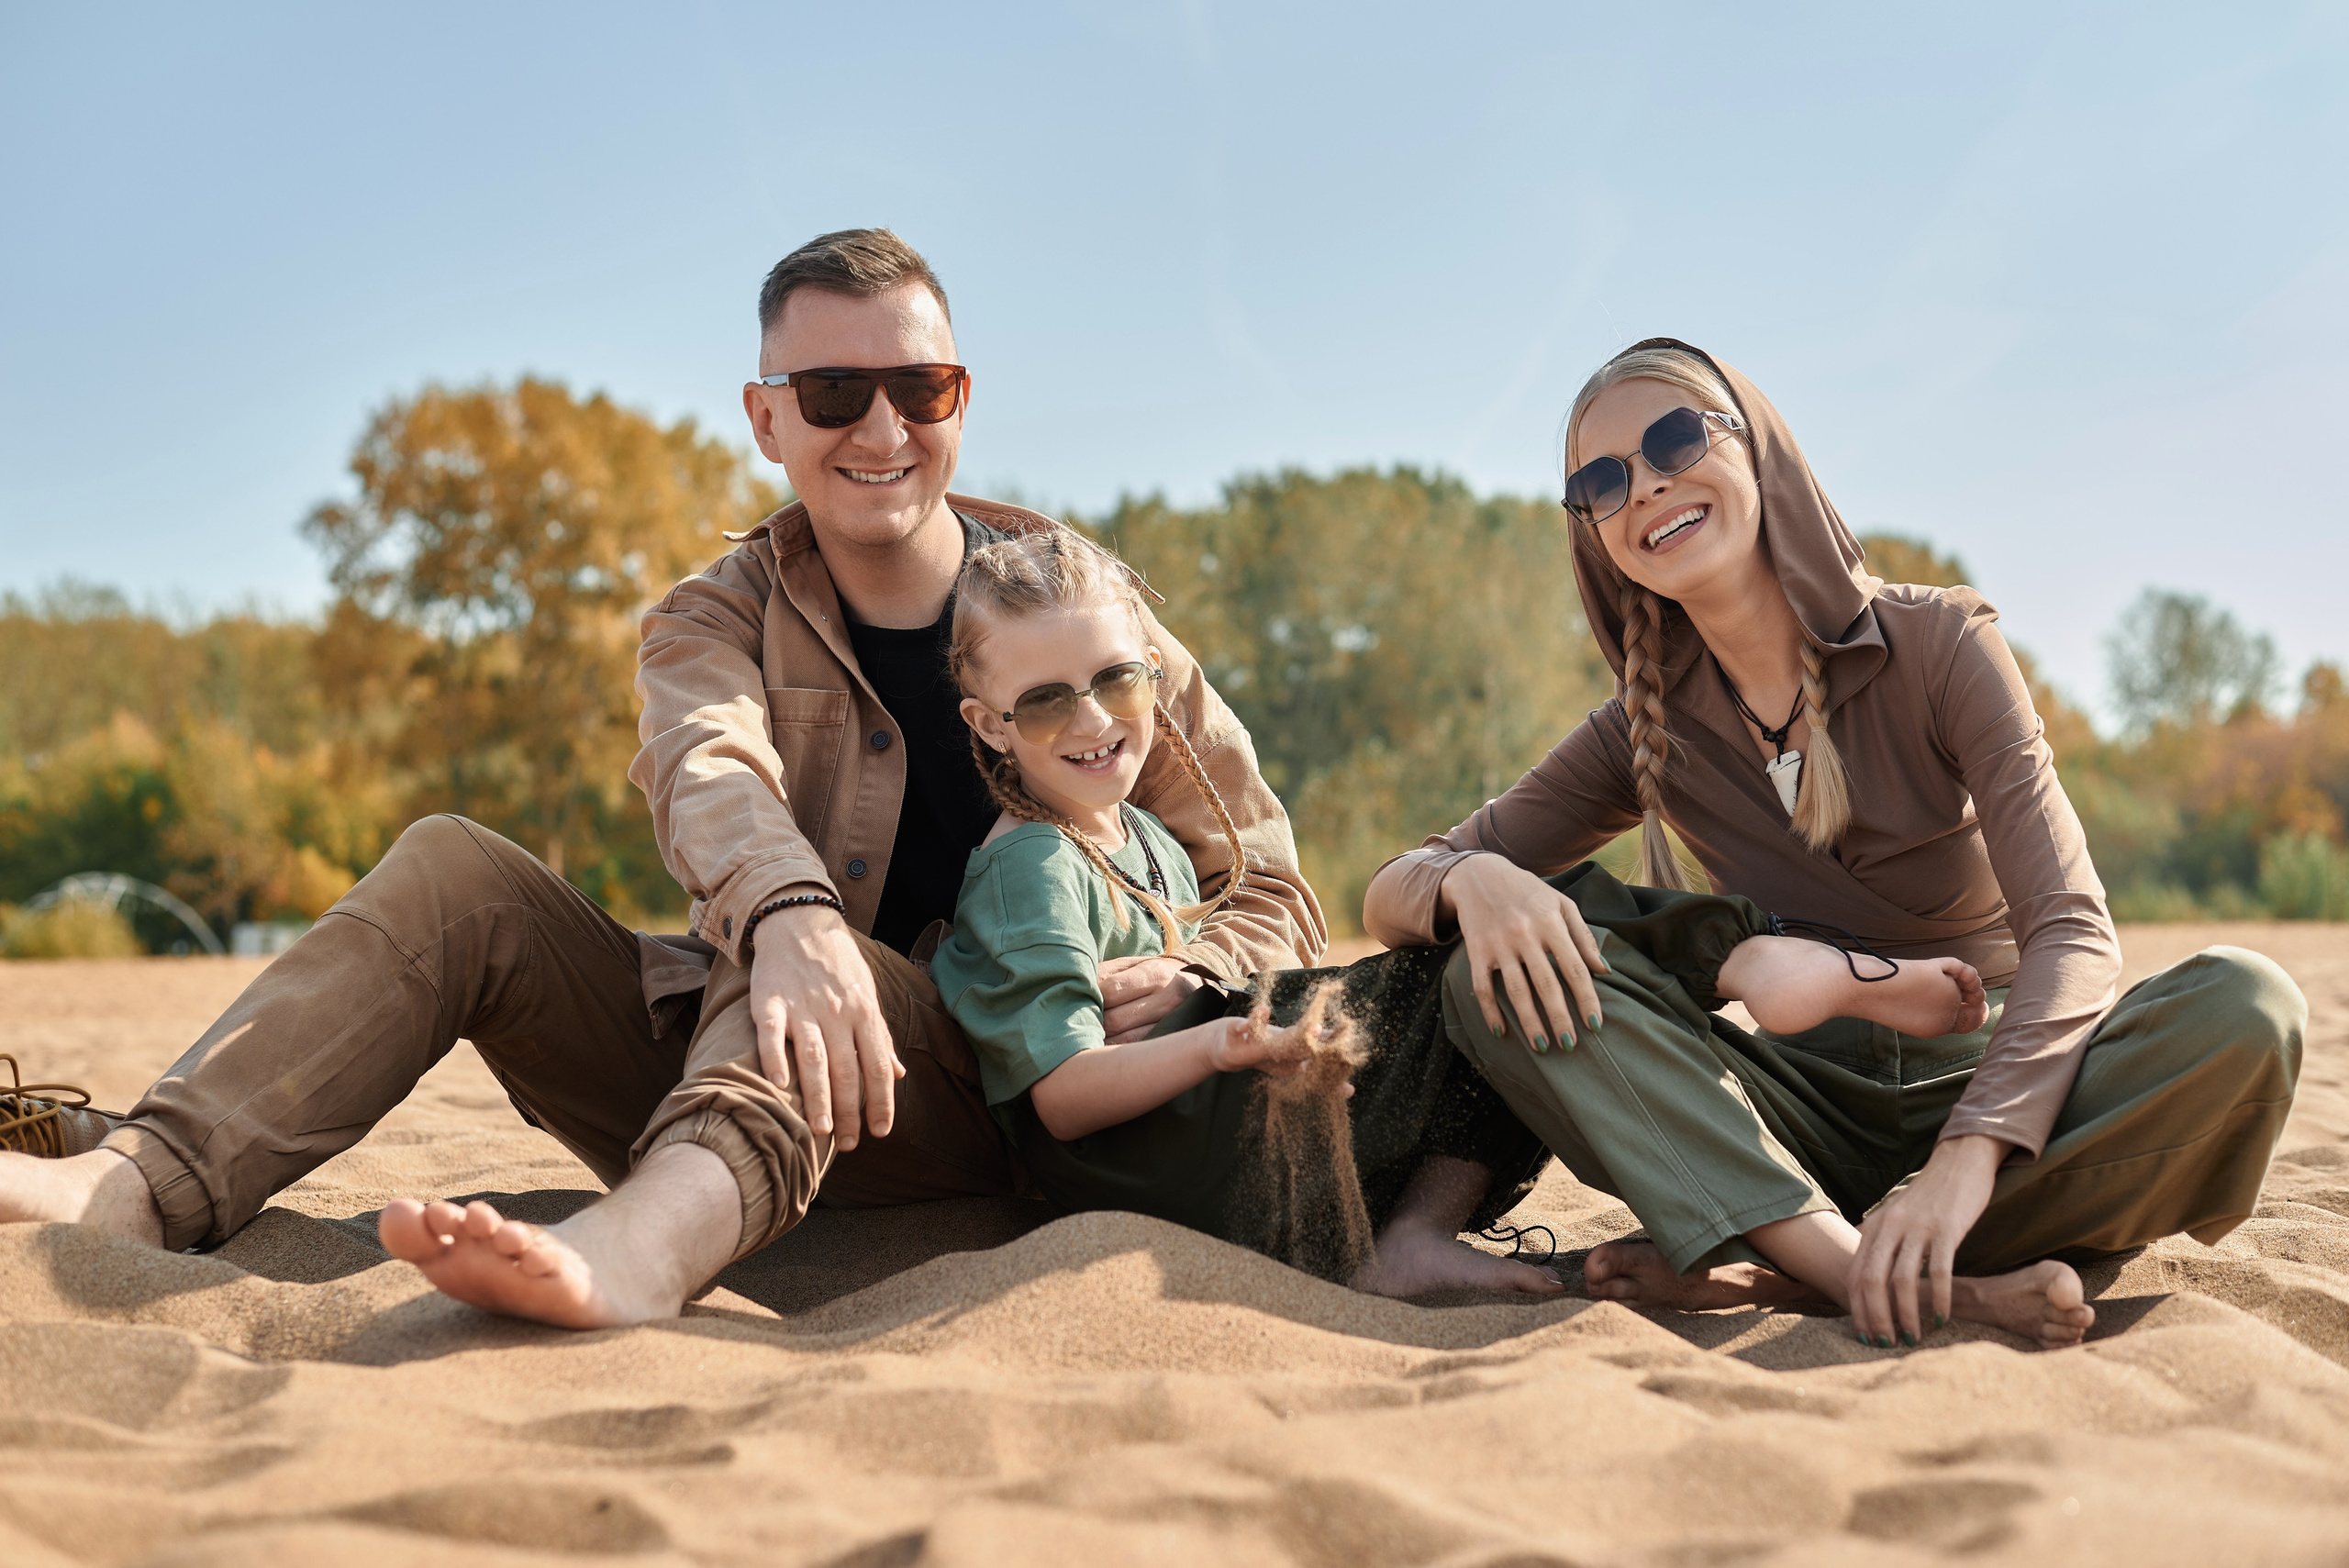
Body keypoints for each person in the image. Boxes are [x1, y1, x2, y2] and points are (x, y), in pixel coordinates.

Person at [0, 228, 1327, 1328]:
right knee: (465, 868)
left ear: (959, 403)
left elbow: (1271, 881)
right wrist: (791, 910)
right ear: (767, 418)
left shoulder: (1082, 621)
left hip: (1003, 1102)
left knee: (807, 961)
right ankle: (138, 1182)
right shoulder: (714, 615)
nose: (880, 426)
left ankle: (635, 1256)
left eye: (918, 389)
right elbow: (709, 765)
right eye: (832, 393)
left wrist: (1196, 976)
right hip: (736, 1067)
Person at [1362, 338, 2307, 1351]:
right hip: (1787, 1127)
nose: (1647, 486)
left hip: (2000, 1096)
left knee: (2246, 1005)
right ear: (1592, 531)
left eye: (1674, 440)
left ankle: (1798, 1265)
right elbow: (1393, 888)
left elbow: (2073, 929)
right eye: (1601, 481)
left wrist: (1963, 1161)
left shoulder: (1941, 644)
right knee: (1491, 975)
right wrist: (1477, 879)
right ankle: (1863, 1267)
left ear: (1758, 447)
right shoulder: (1640, 728)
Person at [930, 528, 2003, 1297]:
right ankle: (1746, 960)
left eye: (1115, 680)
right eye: (1045, 701)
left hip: (1216, 1137)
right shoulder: (1032, 866)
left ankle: (1414, 1235)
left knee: (1508, 954)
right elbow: (1062, 1098)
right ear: (988, 723)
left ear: (1154, 672)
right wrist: (1217, 1041)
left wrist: (1218, 1006)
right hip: (1166, 1170)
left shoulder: (1144, 834)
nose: (1092, 720)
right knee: (1499, 943)